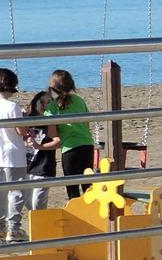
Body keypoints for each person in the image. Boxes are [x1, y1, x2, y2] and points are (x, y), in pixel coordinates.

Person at [45, 70, 94, 199]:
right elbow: (86, 124)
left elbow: (52, 134)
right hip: (87, 145)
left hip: (70, 148)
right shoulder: (79, 100)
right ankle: (94, 213)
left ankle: (78, 215)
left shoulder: (52, 106)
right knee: (88, 185)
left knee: (72, 187)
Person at [0, 70, 31, 243]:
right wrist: (25, 118)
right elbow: (21, 131)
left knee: (2, 194)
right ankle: (13, 229)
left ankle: (0, 229)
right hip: (13, 154)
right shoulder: (12, 107)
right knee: (16, 192)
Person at [22, 91, 58, 221]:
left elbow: (57, 141)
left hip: (44, 167)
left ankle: (41, 228)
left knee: (38, 202)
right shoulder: (27, 119)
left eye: (49, 103)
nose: (46, 106)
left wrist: (40, 146)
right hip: (27, 166)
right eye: (44, 103)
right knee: (27, 200)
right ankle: (38, 226)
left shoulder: (49, 121)